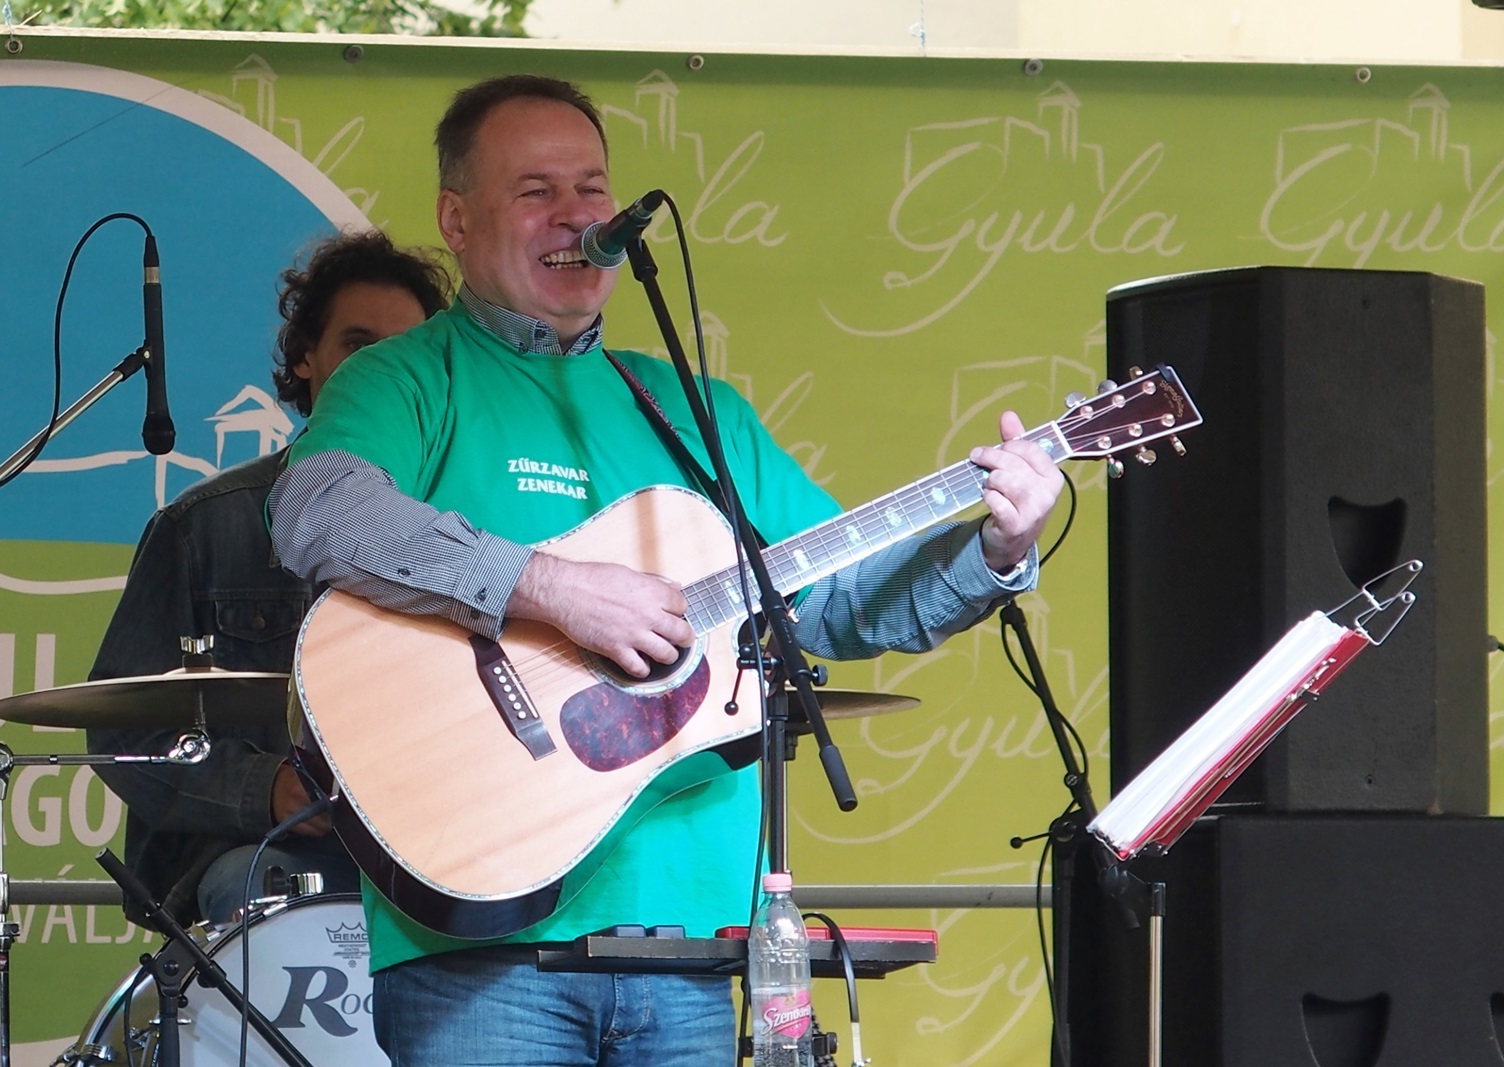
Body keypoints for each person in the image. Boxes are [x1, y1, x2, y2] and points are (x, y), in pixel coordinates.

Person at [267, 74, 1064, 1065]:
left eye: (592, 189)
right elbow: (320, 509)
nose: (576, 217)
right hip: (482, 943)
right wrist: (555, 591)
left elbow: (832, 601)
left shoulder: (695, 409)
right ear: (456, 221)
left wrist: (996, 547)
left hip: (691, 943)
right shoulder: (405, 376)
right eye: (536, 191)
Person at [88, 230, 451, 927]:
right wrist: (265, 788)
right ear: (305, 357)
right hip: (263, 856)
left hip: (435, 856)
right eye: (358, 346)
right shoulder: (203, 526)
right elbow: (123, 733)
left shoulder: (479, 534)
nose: (383, 371)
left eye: (404, 353)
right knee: (257, 884)